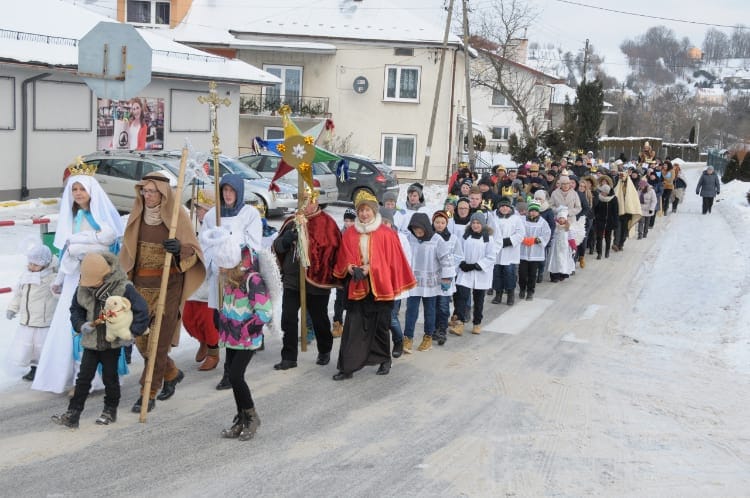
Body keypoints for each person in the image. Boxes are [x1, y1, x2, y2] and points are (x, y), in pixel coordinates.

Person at [33, 167, 124, 394]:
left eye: (82, 188)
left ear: (91, 190)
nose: (78, 192)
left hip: (95, 280)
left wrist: (79, 243)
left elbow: (107, 240)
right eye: (74, 188)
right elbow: (66, 250)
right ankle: (68, 376)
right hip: (74, 277)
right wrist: (62, 276)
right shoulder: (73, 217)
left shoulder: (99, 216)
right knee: (70, 326)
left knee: (92, 324)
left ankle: (88, 380)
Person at [120, 172, 205, 413]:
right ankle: (172, 373)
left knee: (158, 342)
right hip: (140, 288)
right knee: (142, 341)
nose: (147, 196)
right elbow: (128, 254)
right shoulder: (136, 216)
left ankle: (149, 391)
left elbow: (194, 251)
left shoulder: (178, 215)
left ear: (163, 193)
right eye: (144, 191)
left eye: (152, 191)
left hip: (169, 285)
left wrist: (180, 249)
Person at [51, 252, 149, 428]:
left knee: (110, 378)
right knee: (83, 378)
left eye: (95, 282)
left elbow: (142, 310)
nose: (90, 286)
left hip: (113, 342)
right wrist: (81, 325)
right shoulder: (83, 286)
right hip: (91, 341)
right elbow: (76, 309)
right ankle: (73, 414)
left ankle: (110, 410)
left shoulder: (123, 288)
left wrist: (132, 333)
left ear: (106, 274)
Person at [332, 191, 415, 379]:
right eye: (360, 210)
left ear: (374, 211)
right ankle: (348, 367)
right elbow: (342, 259)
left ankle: (384, 360)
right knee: (353, 327)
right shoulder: (350, 233)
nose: (363, 214)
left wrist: (371, 267)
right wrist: (351, 268)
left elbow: (392, 262)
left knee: (380, 326)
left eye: (367, 210)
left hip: (380, 287)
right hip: (357, 285)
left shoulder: (386, 234)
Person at [201, 228, 271, 441]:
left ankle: (251, 416)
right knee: (232, 375)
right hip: (231, 338)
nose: (219, 269)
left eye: (222, 266)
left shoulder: (253, 280)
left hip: (247, 339)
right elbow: (230, 307)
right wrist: (222, 321)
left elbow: (264, 313)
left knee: (236, 376)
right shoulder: (230, 280)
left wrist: (246, 329)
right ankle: (241, 418)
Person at [202, 174, 263, 389]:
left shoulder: (249, 214)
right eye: (224, 190)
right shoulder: (212, 215)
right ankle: (231, 369)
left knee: (237, 322)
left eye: (231, 190)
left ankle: (231, 372)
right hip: (219, 277)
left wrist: (235, 263)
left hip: (239, 278)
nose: (227, 195)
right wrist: (216, 262)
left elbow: (254, 245)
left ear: (238, 192)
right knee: (222, 321)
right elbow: (206, 244)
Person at [272, 190, 341, 371]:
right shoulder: (291, 221)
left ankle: (325, 349)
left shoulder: (327, 223)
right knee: (288, 318)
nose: (305, 205)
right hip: (293, 280)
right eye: (302, 201)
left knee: (318, 318)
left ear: (316, 201)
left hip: (317, 281)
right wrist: (287, 240)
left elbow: (333, 249)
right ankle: (288, 357)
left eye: (308, 201)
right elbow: (277, 247)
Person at [403, 212, 455, 353]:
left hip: (430, 284)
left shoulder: (437, 240)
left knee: (430, 311)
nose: (417, 231)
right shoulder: (410, 238)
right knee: (411, 311)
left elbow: (446, 259)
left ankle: (428, 337)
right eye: (414, 229)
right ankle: (407, 338)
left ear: (426, 226)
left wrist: (446, 278)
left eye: (420, 228)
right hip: (414, 283)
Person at [182, 188, 221, 371]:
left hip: (210, 284)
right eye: (197, 208)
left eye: (202, 209)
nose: (198, 212)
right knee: (189, 319)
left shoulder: (217, 229)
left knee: (208, 322)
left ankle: (214, 352)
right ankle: (203, 341)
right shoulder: (196, 228)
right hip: (195, 282)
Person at [6, 243, 58, 382]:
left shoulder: (51, 278)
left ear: (45, 264)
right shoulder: (25, 276)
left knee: (42, 348)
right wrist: (12, 308)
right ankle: (33, 368)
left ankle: (44, 369)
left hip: (43, 321)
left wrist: (57, 288)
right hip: (27, 321)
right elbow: (19, 294)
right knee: (29, 348)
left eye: (36, 264)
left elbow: (59, 295)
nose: (31, 267)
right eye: (30, 263)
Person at [452, 212, 495, 335]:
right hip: (465, 271)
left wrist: (477, 265)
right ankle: (460, 322)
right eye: (473, 223)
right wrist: (462, 263)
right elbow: (458, 251)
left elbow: (491, 256)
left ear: (483, 224)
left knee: (479, 299)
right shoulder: (465, 236)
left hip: (480, 273)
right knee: (461, 297)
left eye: (478, 223)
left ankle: (477, 323)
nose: (475, 225)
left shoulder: (488, 238)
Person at [379, 207, 412, 358]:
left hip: (395, 283)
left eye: (386, 222)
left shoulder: (401, 238)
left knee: (390, 317)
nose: (384, 225)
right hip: (379, 284)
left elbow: (407, 262)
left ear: (391, 223)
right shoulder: (375, 237)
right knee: (380, 317)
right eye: (381, 222)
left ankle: (399, 341)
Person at [431, 210, 462, 346]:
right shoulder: (429, 238)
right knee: (432, 305)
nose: (439, 225)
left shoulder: (453, 238)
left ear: (446, 224)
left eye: (442, 222)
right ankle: (433, 329)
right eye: (437, 222)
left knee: (443, 305)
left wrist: (448, 267)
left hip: (446, 278)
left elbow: (458, 256)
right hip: (432, 277)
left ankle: (442, 329)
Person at [488, 197, 524, 306]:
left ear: (510, 207)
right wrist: (495, 242)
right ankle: (498, 294)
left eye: (506, 206)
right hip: (497, 251)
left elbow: (520, 234)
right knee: (497, 273)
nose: (504, 208)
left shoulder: (516, 219)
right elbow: (489, 231)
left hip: (510, 251)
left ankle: (510, 294)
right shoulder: (493, 218)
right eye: (502, 206)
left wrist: (508, 241)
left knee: (509, 273)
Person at [518, 200, 551, 301]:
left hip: (535, 252)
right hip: (523, 251)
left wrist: (536, 240)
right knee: (522, 273)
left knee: (532, 274)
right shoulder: (522, 220)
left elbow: (546, 234)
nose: (533, 213)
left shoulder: (542, 222)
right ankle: (522, 289)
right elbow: (517, 229)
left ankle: (530, 291)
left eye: (535, 211)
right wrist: (522, 238)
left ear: (538, 212)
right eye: (531, 210)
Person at [332, 208, 357, 338]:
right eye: (346, 221)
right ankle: (337, 322)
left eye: (351, 221)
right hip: (341, 272)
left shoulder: (359, 234)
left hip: (354, 272)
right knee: (340, 298)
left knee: (352, 299)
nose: (348, 223)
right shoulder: (340, 234)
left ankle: (352, 324)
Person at [548, 207, 575, 282]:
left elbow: (571, 238)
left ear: (565, 219)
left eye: (563, 218)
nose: (561, 220)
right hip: (555, 247)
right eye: (560, 218)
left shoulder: (568, 228)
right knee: (555, 261)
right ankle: (554, 276)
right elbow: (551, 234)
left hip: (564, 248)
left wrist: (573, 247)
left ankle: (562, 274)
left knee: (563, 260)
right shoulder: (555, 226)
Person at [593, 181, 618, 259]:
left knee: (608, 237)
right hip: (600, 220)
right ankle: (599, 253)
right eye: (601, 191)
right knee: (599, 237)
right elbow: (596, 209)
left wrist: (615, 222)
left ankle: (607, 251)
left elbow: (616, 211)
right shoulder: (599, 198)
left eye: (603, 192)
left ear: (607, 192)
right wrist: (595, 216)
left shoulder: (613, 199)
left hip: (609, 221)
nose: (602, 193)